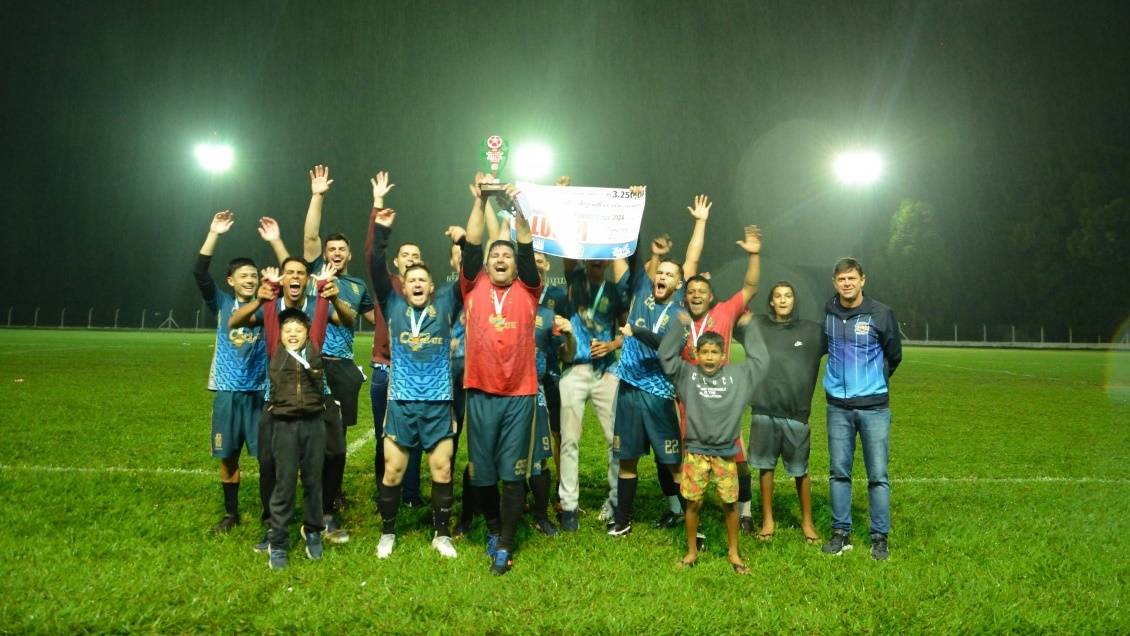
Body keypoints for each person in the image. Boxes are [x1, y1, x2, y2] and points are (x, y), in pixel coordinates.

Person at [607, 192, 707, 538]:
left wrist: (700, 222)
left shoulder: (680, 306)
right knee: (628, 459)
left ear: (680, 283)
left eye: (669, 274)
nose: (662, 276)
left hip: (659, 392)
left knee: (672, 463)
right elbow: (625, 257)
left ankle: (687, 519)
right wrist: (632, 210)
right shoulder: (640, 291)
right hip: (630, 388)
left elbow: (691, 260)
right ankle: (621, 520)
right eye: (659, 272)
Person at [459, 174, 541, 575]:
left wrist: (517, 206)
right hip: (480, 390)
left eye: (506, 256)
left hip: (519, 392)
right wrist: (478, 201)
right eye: (496, 256)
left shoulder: (528, 288)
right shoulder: (473, 285)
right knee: (483, 470)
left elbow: (525, 240)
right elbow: (472, 244)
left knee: (512, 471)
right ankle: (493, 528)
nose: (501, 259)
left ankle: (506, 543)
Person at [369, 207, 462, 559]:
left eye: (423, 279)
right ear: (403, 286)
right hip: (402, 402)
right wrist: (381, 232)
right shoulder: (391, 303)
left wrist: (463, 242)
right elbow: (376, 267)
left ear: (432, 286)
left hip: (438, 403)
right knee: (393, 470)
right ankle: (388, 533)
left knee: (441, 468)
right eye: (412, 280)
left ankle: (441, 535)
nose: (418, 284)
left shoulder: (446, 303)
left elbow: (469, 273)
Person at [657, 314, 769, 573]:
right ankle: (691, 551)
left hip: (725, 455)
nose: (709, 357)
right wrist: (680, 326)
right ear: (696, 354)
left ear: (723, 355)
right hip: (696, 453)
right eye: (704, 352)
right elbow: (665, 356)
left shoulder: (736, 376)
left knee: (730, 505)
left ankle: (733, 552)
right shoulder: (687, 375)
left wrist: (750, 327)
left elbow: (761, 361)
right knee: (693, 503)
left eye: (714, 352)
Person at [300, 164, 375, 543]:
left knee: (338, 437)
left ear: (348, 255)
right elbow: (311, 233)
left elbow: (377, 320)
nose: (336, 253)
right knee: (309, 433)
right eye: (331, 249)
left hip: (342, 367)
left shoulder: (357, 285)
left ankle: (333, 491)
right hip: (310, 363)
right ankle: (315, 498)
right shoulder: (315, 273)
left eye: (342, 250)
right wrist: (318, 195)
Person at [675, 223, 762, 533]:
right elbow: (690, 261)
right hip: (691, 399)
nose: (696, 295)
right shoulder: (680, 317)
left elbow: (750, 287)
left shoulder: (725, 312)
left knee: (737, 455)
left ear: (711, 297)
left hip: (723, 397)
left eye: (702, 291)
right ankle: (691, 518)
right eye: (691, 291)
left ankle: (746, 512)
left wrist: (754, 255)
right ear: (686, 296)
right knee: (691, 457)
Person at [257, 263, 338, 570]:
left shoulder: (313, 346)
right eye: (287, 330)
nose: (292, 334)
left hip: (314, 424)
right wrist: (272, 287)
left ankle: (313, 531)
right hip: (284, 425)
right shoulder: (275, 348)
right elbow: (269, 318)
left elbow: (318, 318)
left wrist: (324, 288)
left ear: (307, 333)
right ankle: (278, 542)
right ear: (280, 334)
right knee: (284, 483)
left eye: (298, 330)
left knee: (314, 482)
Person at [821, 257, 902, 560]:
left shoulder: (881, 313)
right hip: (838, 408)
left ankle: (879, 537)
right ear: (835, 283)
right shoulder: (828, 311)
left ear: (863, 280)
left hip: (873, 408)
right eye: (841, 279)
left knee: (878, 474)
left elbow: (894, 355)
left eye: (852, 278)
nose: (847, 283)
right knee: (839, 472)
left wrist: (872, 383)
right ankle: (840, 532)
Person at [193, 210, 268, 534]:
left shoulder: (268, 306)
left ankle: (270, 513)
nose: (250, 280)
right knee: (227, 455)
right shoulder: (222, 303)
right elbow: (199, 273)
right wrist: (214, 233)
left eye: (254, 275)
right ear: (231, 280)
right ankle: (231, 513)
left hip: (259, 392)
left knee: (268, 458)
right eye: (244, 276)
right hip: (227, 390)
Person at [745, 282, 826, 544]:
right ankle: (768, 520)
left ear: (794, 300)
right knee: (765, 467)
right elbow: (727, 315)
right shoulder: (757, 326)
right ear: (770, 301)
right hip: (764, 410)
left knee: (800, 470)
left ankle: (807, 521)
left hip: (796, 414)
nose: (782, 300)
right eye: (777, 296)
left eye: (788, 295)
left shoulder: (812, 331)